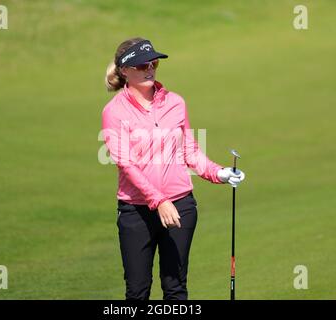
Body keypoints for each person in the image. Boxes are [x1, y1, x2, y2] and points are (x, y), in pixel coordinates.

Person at [101, 37, 245, 300]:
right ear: (124, 71)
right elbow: (126, 163)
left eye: (153, 63)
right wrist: (159, 201)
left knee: (176, 288)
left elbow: (189, 150)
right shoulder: (114, 111)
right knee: (137, 292)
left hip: (181, 206)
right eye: (142, 65)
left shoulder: (175, 102)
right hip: (137, 212)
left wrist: (219, 173)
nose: (150, 69)